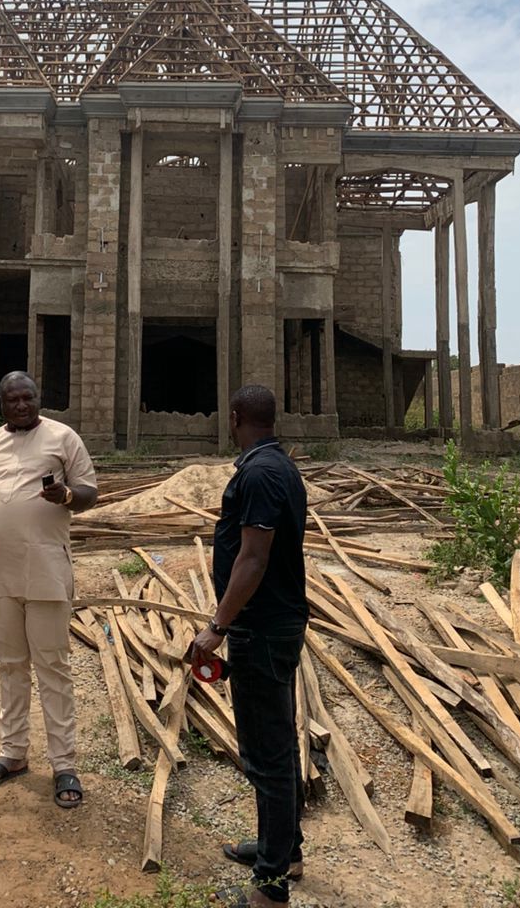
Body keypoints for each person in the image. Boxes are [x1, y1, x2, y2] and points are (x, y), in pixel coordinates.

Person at [0, 371, 98, 808]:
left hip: (46, 570)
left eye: (28, 397)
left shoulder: (63, 438)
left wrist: (66, 496)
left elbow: (90, 493)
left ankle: (64, 764)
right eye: (13, 400)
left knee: (53, 667)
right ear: (2, 403)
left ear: (38, 398)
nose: (22, 405)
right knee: (10, 665)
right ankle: (12, 755)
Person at [191, 384, 308, 908]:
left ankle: (270, 889)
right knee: (276, 744)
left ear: (234, 416)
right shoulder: (277, 465)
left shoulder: (260, 474)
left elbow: (254, 559)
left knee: (267, 754)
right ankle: (283, 850)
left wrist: (218, 624)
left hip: (261, 631)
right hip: (271, 625)